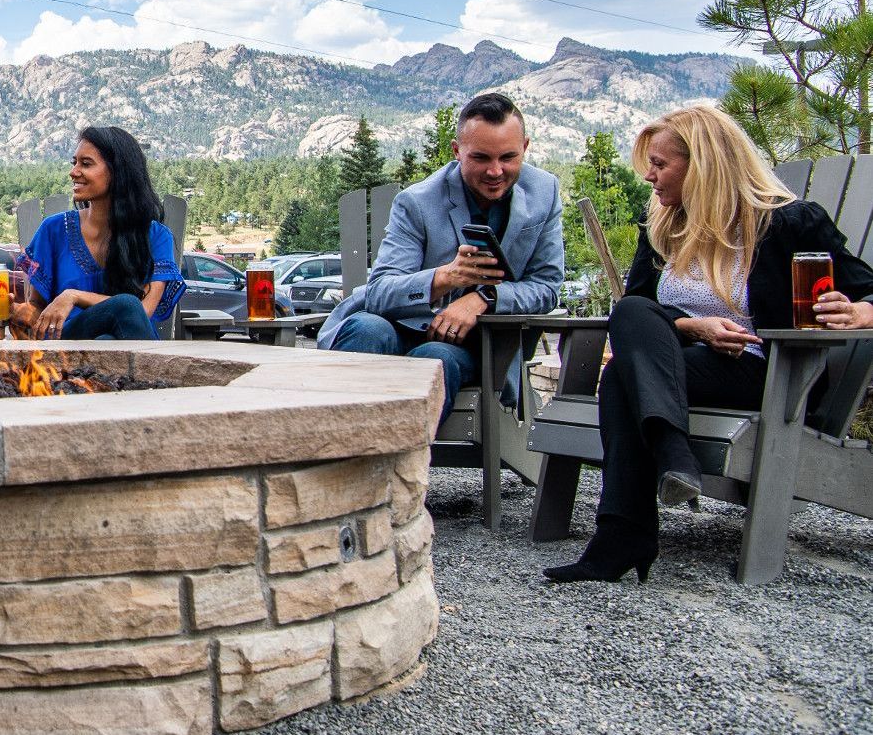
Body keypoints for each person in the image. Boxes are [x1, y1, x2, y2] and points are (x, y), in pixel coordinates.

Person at [545, 104, 873, 583]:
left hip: (765, 371)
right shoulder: (662, 225)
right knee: (631, 316)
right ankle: (669, 458)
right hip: (681, 364)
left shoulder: (790, 223)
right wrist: (695, 328)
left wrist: (860, 311)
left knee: (621, 375)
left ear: (702, 165)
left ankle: (624, 535)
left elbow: (867, 290)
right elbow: (638, 309)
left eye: (659, 164)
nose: (649, 176)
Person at [321, 92, 564, 421]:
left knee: (434, 357)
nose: (495, 171)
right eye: (480, 158)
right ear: (456, 151)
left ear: (525, 147)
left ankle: (393, 467)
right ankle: (334, 455)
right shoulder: (417, 202)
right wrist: (446, 278)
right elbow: (379, 293)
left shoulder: (544, 193)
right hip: (397, 327)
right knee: (365, 328)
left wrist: (484, 297)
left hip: (475, 345)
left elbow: (546, 287)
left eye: (508, 157)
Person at [15, 126, 185, 341]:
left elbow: (140, 312)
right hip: (68, 346)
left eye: (86, 164)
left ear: (118, 172)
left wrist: (74, 296)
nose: (74, 171)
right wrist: (15, 311)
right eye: (74, 163)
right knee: (120, 314)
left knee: (112, 332)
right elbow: (37, 306)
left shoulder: (156, 237)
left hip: (132, 347)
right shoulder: (53, 230)